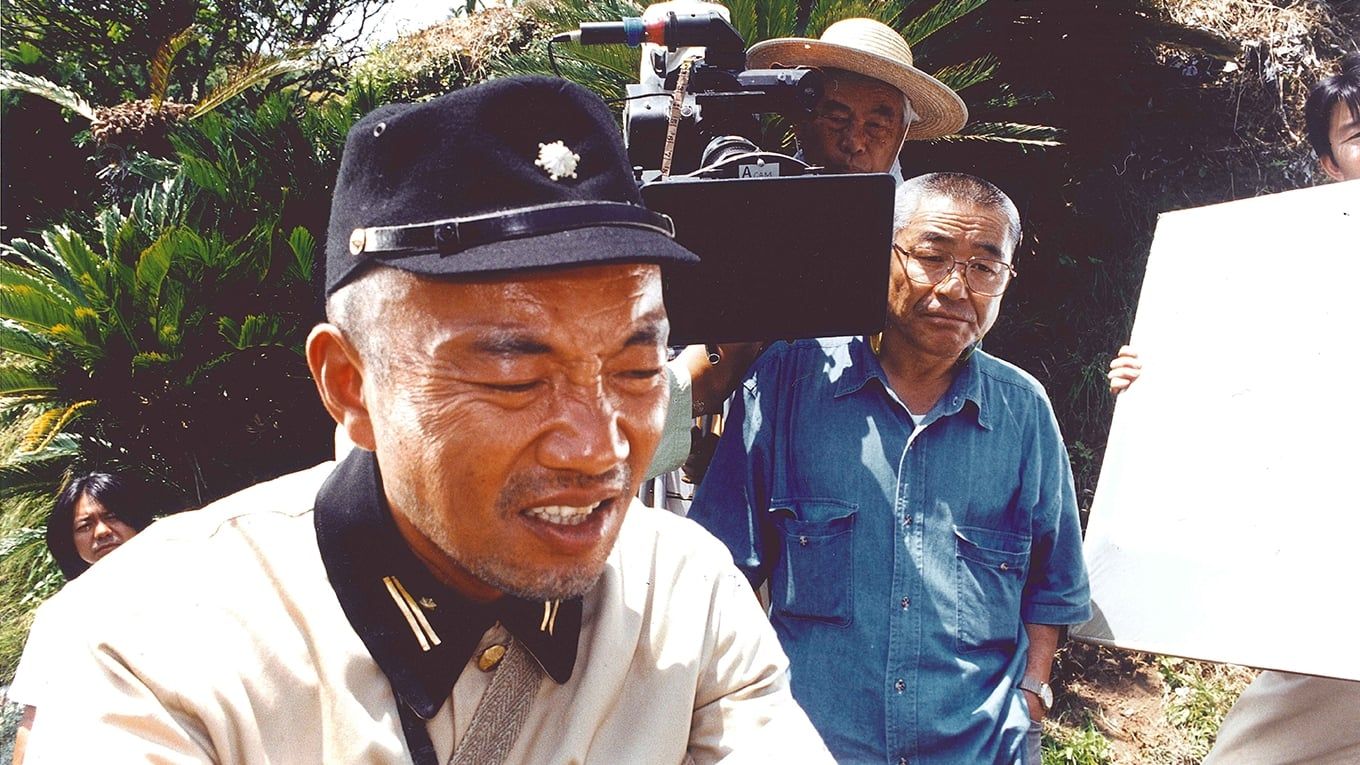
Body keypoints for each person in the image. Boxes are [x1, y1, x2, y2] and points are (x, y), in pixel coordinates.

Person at [22, 76, 831, 764]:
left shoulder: (685, 600)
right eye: (516, 373)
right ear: (350, 383)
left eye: (635, 365)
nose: (597, 447)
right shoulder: (151, 642)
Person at [689, 173, 1091, 764]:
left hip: (977, 749)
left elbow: (1052, 585)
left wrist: (1032, 690)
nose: (957, 288)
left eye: (985, 267)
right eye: (932, 256)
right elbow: (721, 568)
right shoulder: (788, 384)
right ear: (881, 253)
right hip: (810, 745)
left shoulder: (1023, 410)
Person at [1108, 52, 1360, 765]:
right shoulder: (1283, 258)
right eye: (1359, 134)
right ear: (1327, 161)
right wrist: (1152, 386)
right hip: (1331, 582)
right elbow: (1245, 387)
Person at [649, 17, 969, 484]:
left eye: (878, 124)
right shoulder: (740, 203)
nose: (854, 142)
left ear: (903, 133)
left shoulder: (931, 240)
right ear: (802, 116)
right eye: (836, 117)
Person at [8, 472, 156, 765]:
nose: (101, 532)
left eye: (112, 516)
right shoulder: (57, 614)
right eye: (84, 526)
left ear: (136, 519)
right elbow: (33, 717)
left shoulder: (183, 585)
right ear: (71, 541)